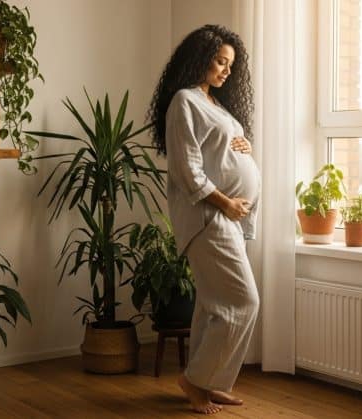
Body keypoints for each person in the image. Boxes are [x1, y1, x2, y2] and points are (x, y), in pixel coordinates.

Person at [148, 24, 259, 415]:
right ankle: (195, 381)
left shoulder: (215, 104)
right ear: (200, 57)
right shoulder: (184, 101)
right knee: (243, 301)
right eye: (219, 60)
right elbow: (187, 170)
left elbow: (220, 153)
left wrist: (244, 143)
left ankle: (212, 383)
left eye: (230, 63)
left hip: (227, 217)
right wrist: (226, 202)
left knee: (213, 306)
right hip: (208, 216)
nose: (227, 69)